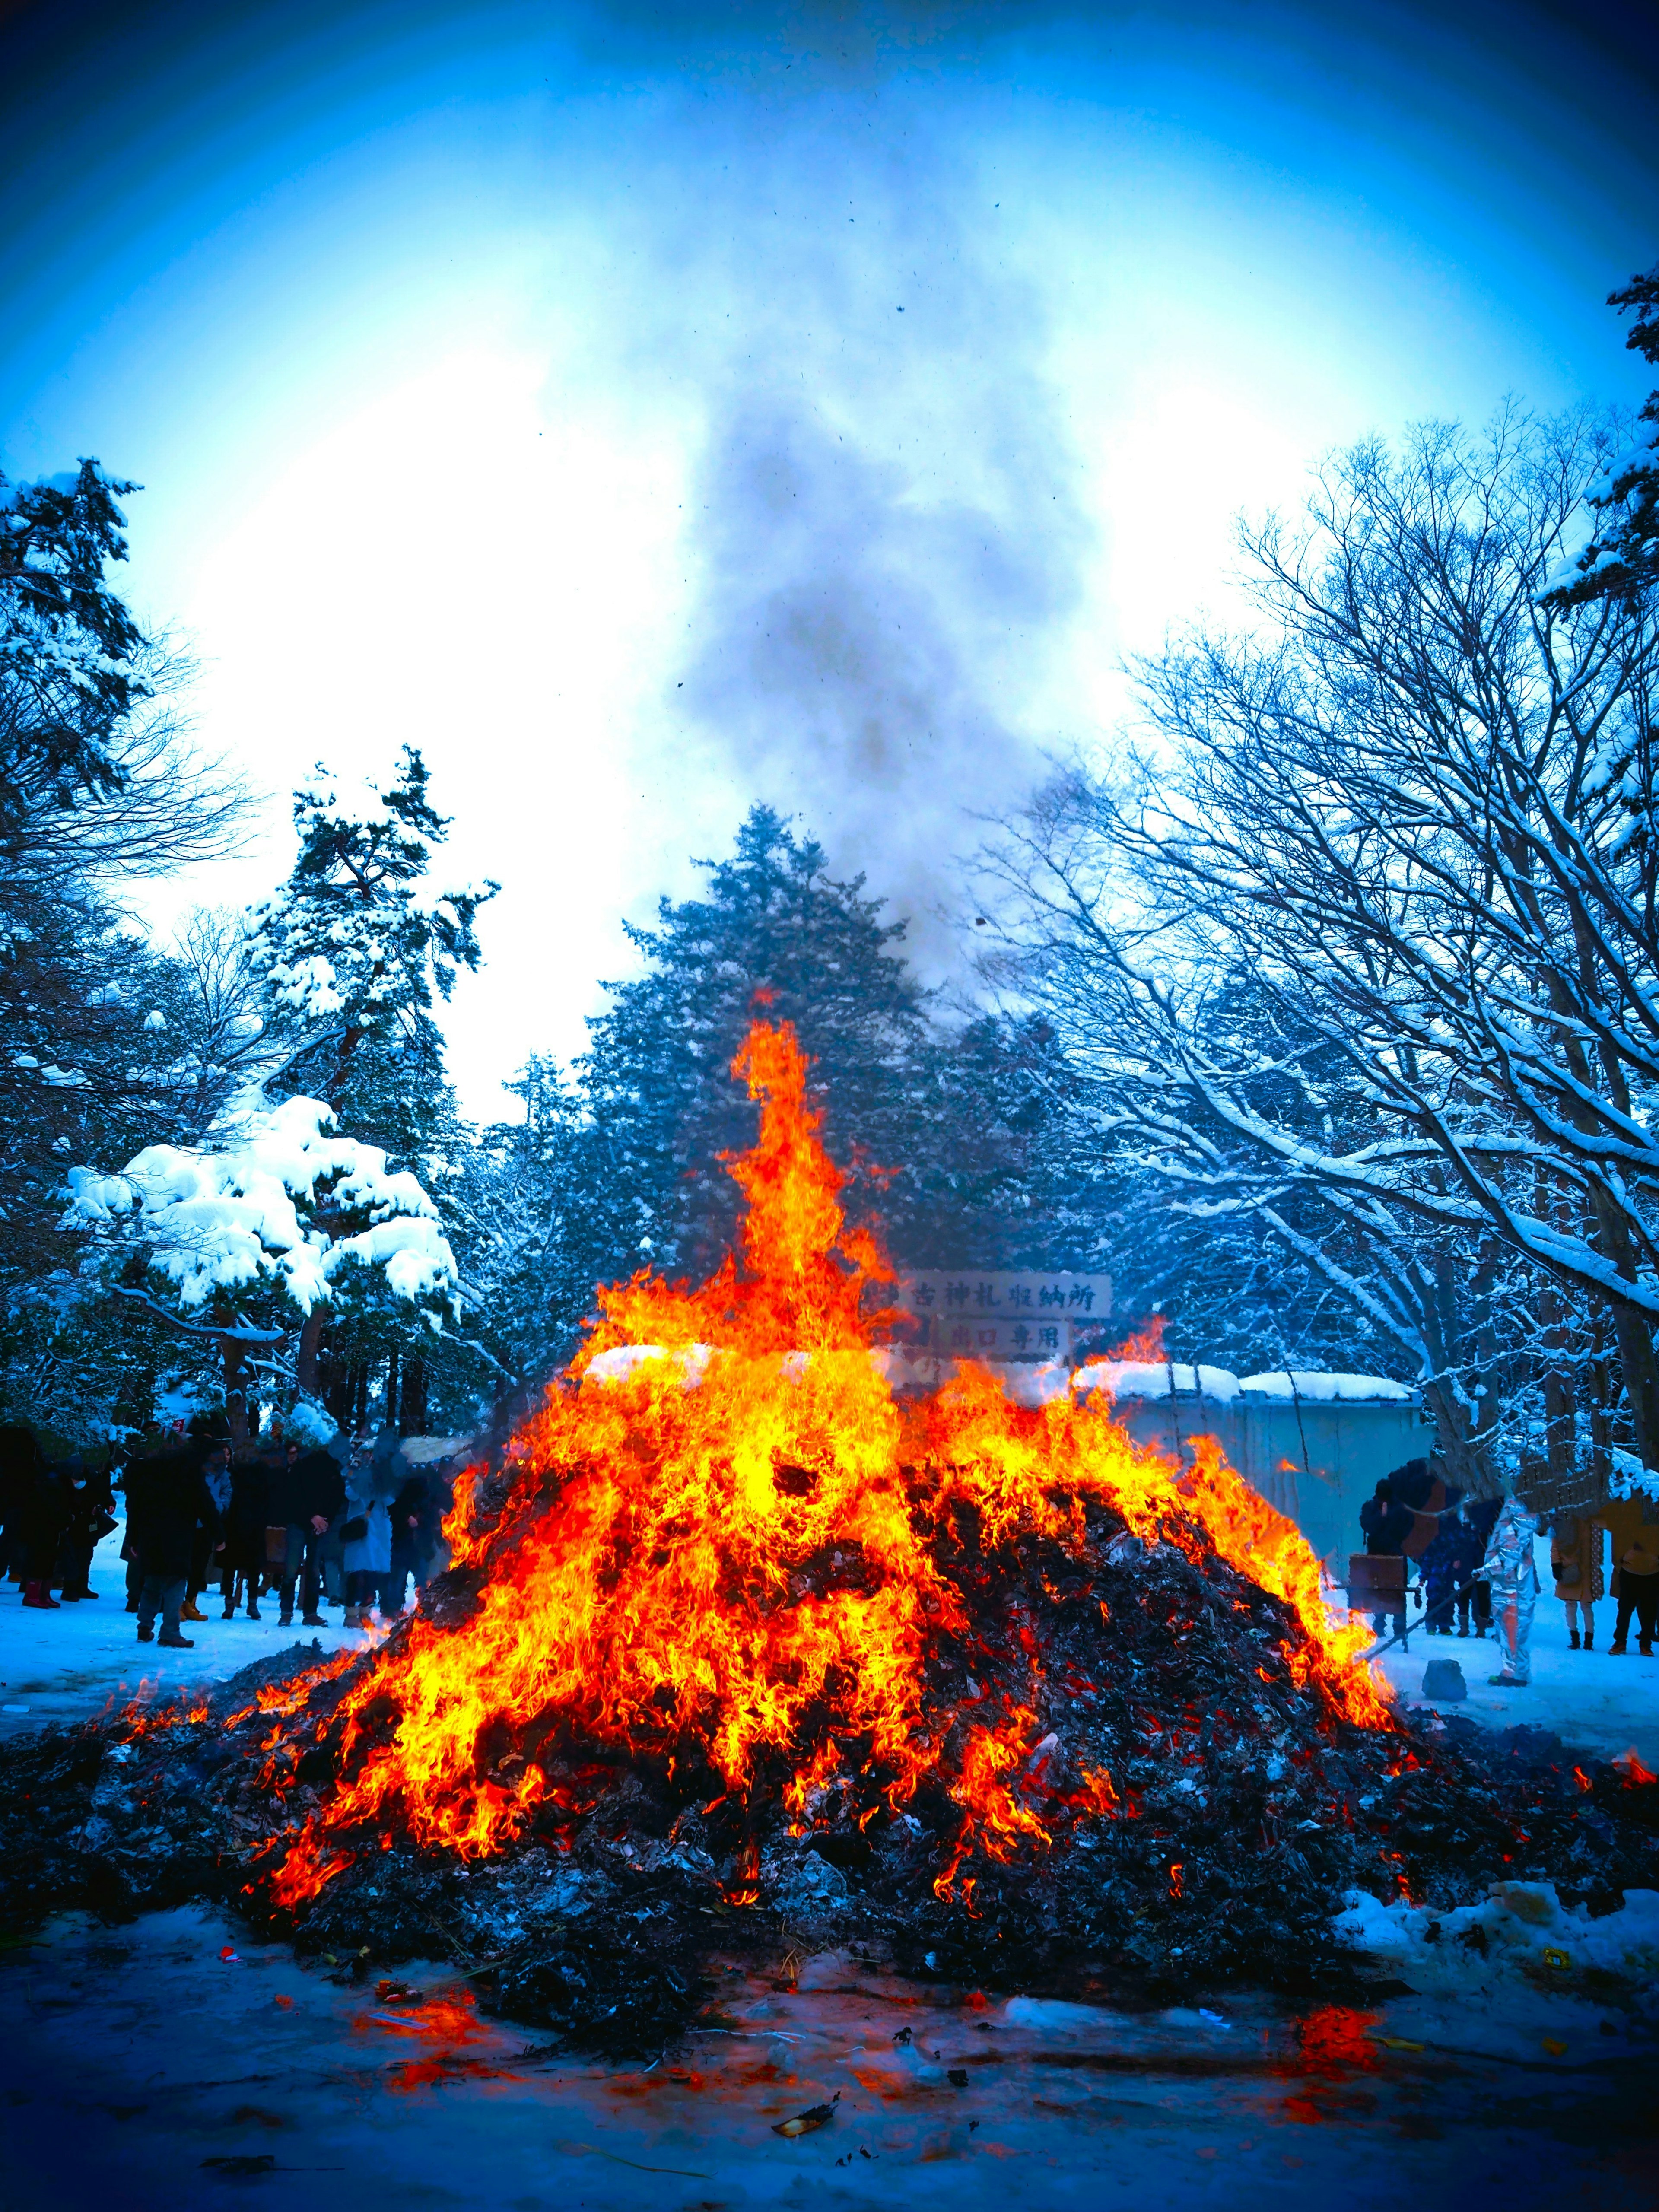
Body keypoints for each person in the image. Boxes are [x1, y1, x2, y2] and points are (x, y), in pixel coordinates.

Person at [125, 1436, 227, 1648]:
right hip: (177, 1536)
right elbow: (205, 1505)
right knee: (175, 1583)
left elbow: (137, 1504)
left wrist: (134, 1537)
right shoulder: (190, 1473)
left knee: (152, 1581)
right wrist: (218, 1535)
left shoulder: (152, 1468)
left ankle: (145, 1625)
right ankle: (170, 1632)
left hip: (151, 1534)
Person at [266, 1434, 345, 1627]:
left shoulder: (332, 1468)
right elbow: (294, 1496)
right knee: (292, 1568)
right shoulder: (302, 1467)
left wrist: (325, 1520)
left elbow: (336, 1497)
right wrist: (314, 1517)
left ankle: (310, 1612)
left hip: (318, 1525)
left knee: (313, 1570)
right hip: (299, 1523)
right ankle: (287, 1611)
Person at [1471, 1493, 1543, 1686]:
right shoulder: (1513, 1506)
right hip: (1506, 1585)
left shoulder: (1519, 1509)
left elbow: (1511, 1555)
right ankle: (1511, 1671)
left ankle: (1517, 1674)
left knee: (1515, 1630)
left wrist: (1485, 1570)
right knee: (1507, 1630)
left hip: (1514, 1587)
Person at [51, 1455, 117, 1601]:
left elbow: (103, 1492)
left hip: (91, 1520)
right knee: (73, 1554)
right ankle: (70, 1588)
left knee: (86, 1554)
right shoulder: (75, 1473)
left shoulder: (98, 1474)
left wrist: (109, 1503)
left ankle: (81, 1586)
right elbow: (72, 1495)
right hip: (77, 1519)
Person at [219, 1446, 272, 1620]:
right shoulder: (230, 1473)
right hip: (234, 1523)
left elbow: (266, 1498)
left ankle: (250, 1604)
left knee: (252, 1567)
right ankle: (232, 1603)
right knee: (233, 1567)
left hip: (251, 1525)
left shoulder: (260, 1474)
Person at [1359, 1477, 1414, 1640]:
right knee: (1378, 1590)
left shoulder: (1401, 1508)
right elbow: (1367, 1525)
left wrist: (1390, 1517)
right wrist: (1381, 1517)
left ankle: (1400, 1627)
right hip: (1376, 1554)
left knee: (1398, 1591)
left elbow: (1406, 1528)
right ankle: (1379, 1624)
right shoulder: (1369, 1507)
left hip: (1396, 1555)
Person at [1550, 1511, 1604, 1650]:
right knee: (1586, 1607)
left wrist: (1556, 1565)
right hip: (1587, 1570)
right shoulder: (1591, 1521)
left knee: (1571, 1605)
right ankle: (1588, 1642)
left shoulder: (1562, 1521)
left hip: (1568, 1570)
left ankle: (1575, 1640)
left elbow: (1555, 1548)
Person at [1609, 1533, 1659, 1656]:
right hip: (1629, 1572)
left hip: (1652, 1572)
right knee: (1625, 1610)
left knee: (1650, 1611)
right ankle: (1620, 1642)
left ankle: (1646, 1644)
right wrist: (1620, 1564)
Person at [1464, 1494, 1501, 1637]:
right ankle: (1475, 1623)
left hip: (1485, 1560)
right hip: (1472, 1560)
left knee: (1485, 1593)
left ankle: (1483, 1625)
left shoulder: (1490, 1524)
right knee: (1470, 1592)